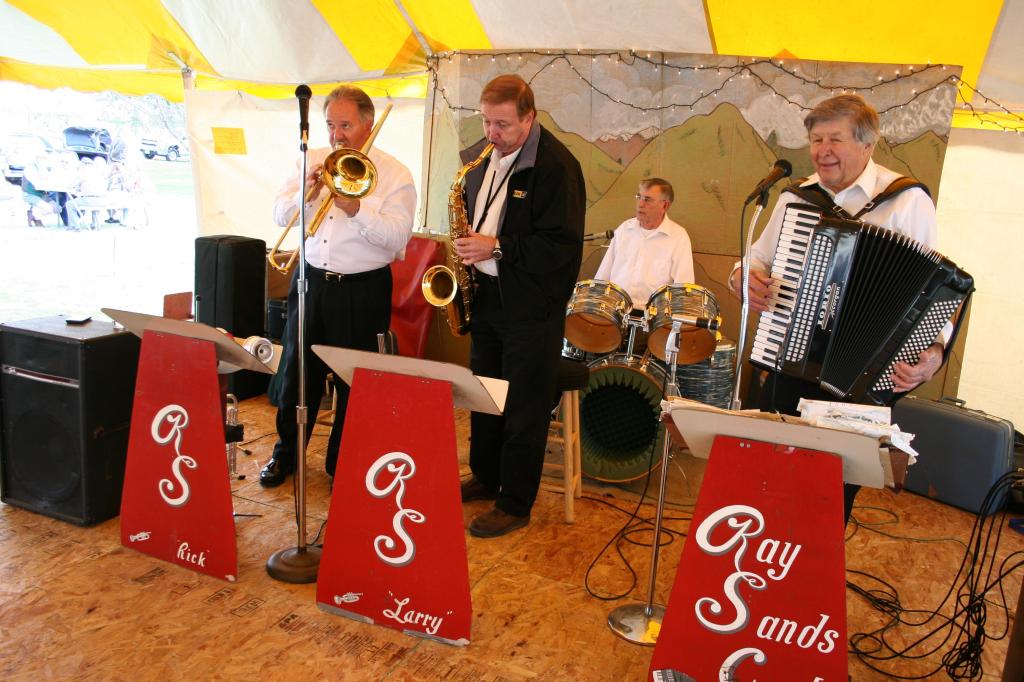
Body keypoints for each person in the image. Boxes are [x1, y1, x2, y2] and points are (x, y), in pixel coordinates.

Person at [728, 93, 944, 523]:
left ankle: (809, 580)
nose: (822, 150)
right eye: (816, 139)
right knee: (774, 479)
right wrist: (743, 278)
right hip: (788, 363)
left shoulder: (905, 201)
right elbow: (755, 259)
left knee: (829, 496)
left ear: (867, 144)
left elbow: (933, 292)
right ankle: (766, 570)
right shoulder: (797, 199)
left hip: (860, 380)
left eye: (835, 139)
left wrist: (933, 354)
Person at [259, 85, 417, 487]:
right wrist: (306, 196)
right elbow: (279, 214)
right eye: (331, 125)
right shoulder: (310, 160)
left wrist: (356, 208)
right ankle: (287, 453)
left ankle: (343, 461)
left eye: (345, 125)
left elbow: (398, 239)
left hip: (363, 289)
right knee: (298, 371)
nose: (336, 135)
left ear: (368, 123)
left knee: (356, 379)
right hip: (310, 282)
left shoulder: (395, 173)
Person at [453, 74, 586, 537]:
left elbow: (562, 248)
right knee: (485, 395)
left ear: (529, 118)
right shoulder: (484, 160)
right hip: (489, 298)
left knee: (523, 406)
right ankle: (487, 476)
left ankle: (515, 502)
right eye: (488, 122)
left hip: (532, 308)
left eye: (503, 124)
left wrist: (498, 248)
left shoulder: (556, 168)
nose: (492, 134)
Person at [594, 177, 694, 311]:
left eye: (647, 199)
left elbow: (683, 288)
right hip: (615, 310)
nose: (640, 204)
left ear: (665, 205)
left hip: (653, 316)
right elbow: (603, 275)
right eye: (639, 197)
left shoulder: (678, 237)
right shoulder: (625, 229)